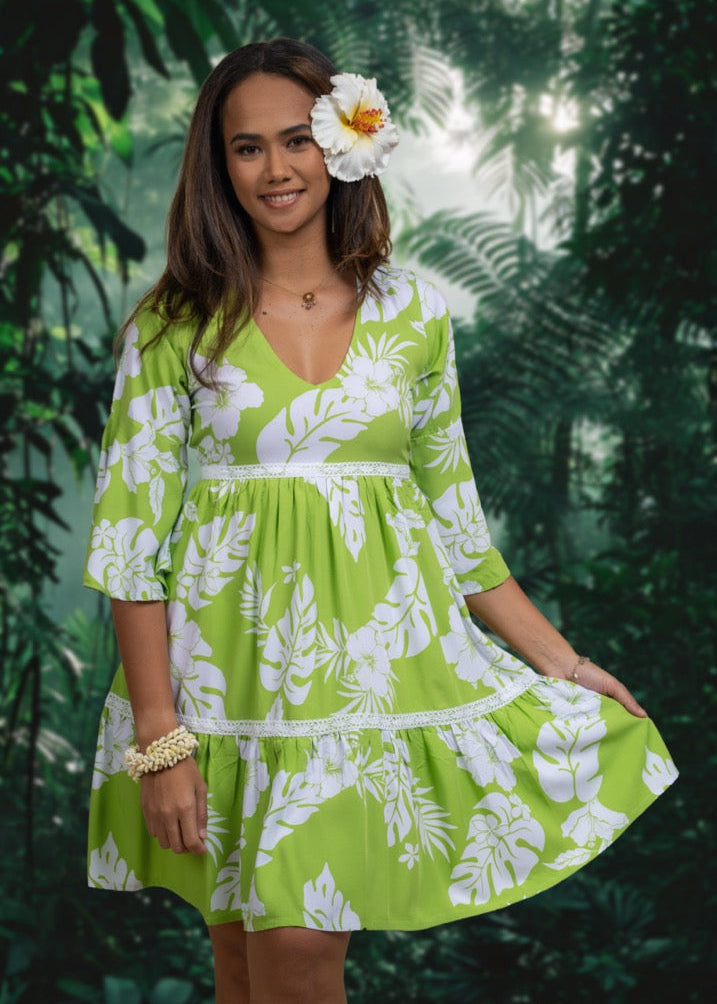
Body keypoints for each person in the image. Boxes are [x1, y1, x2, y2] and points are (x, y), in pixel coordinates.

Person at [82, 36, 678, 1004]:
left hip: (362, 688)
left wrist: (561, 664)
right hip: (220, 685)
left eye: (296, 140)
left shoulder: (416, 314)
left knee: (298, 950)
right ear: (217, 164)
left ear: (340, 146)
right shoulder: (172, 325)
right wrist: (161, 737)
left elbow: (457, 525)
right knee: (242, 963)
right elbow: (129, 541)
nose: (275, 169)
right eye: (246, 148)